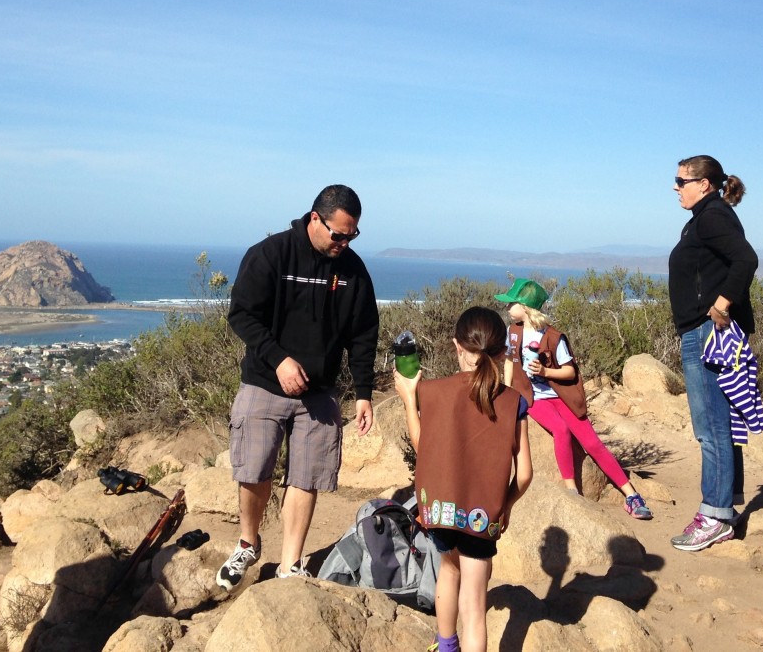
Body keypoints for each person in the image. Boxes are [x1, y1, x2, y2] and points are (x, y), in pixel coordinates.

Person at [216, 184, 379, 590]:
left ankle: (290, 564)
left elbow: (364, 335)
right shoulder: (271, 254)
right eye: (338, 234)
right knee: (254, 468)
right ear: (314, 219)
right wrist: (279, 359)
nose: (343, 242)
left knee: (307, 476)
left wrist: (362, 392)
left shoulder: (354, 272)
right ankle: (248, 543)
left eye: (351, 235)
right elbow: (242, 315)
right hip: (264, 381)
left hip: (320, 391)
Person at [395, 306, 533, 652]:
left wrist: (409, 399)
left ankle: (445, 645)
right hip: (483, 515)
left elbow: (421, 445)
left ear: (457, 346)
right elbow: (525, 473)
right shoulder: (513, 400)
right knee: (474, 607)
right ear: (502, 353)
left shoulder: (435, 391)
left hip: (440, 511)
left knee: (447, 570)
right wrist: (507, 506)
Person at [495, 278, 653, 520]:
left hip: (561, 395)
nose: (507, 308)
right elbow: (508, 361)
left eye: (511, 303)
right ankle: (572, 490)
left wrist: (545, 372)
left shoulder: (554, 337)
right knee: (561, 430)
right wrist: (506, 391)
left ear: (525, 307)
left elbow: (570, 371)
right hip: (533, 397)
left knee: (592, 443)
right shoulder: (512, 332)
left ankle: (630, 494)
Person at [667, 155, 758, 551]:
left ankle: (716, 515)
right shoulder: (705, 216)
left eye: (680, 180)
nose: (675, 187)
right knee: (721, 425)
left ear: (704, 183)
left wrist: (721, 305)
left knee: (711, 428)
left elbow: (746, 259)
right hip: (704, 331)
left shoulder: (712, 216)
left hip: (707, 332)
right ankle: (725, 508)